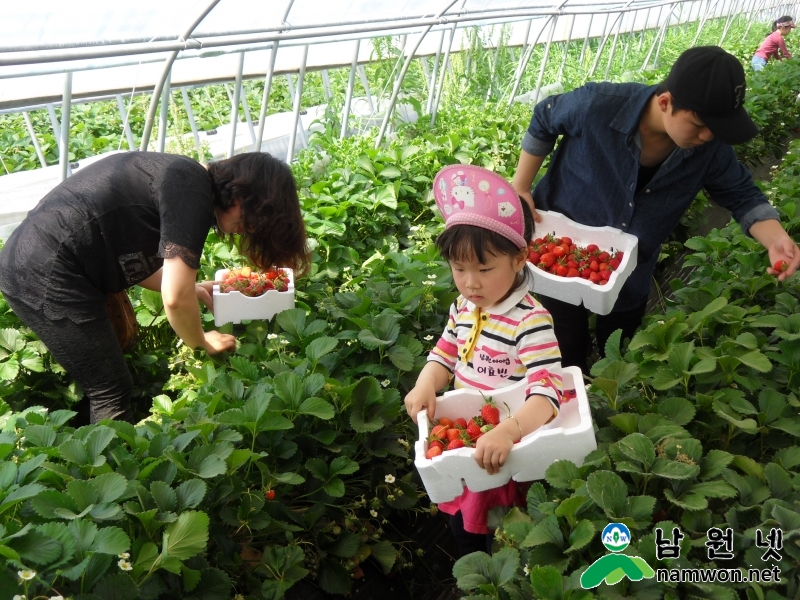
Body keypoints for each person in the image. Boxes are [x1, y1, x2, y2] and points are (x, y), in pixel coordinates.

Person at [511, 45, 800, 373]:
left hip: (632, 274)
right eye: (699, 124)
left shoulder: (710, 149)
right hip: (560, 260)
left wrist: (775, 238)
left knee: (619, 358)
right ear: (666, 102)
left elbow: (741, 194)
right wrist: (521, 186)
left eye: (716, 128)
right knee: (564, 346)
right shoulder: (597, 106)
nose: (708, 136)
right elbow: (544, 118)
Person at [0, 151, 309, 423]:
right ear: (242, 195)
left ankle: (94, 451)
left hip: (42, 261)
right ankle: (108, 476)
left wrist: (193, 288)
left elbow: (133, 258)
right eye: (255, 216)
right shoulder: (192, 193)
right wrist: (201, 342)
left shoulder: (183, 181)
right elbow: (174, 300)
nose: (251, 228)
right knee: (110, 388)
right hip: (44, 271)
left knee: (105, 376)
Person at [404, 165, 563, 557]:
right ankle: (473, 572)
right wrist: (426, 382)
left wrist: (508, 432)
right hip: (471, 436)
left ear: (520, 258)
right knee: (464, 525)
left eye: (484, 268)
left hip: (509, 448)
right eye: (459, 269)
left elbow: (548, 393)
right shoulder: (463, 307)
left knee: (506, 533)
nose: (471, 282)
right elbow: (444, 352)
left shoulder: (530, 320)